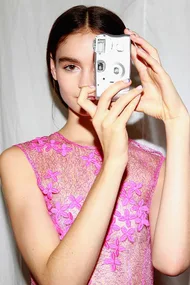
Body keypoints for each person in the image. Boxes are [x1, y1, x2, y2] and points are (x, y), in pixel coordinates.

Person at [0, 5, 189, 285]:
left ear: (123, 67)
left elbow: (172, 262)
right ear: (53, 67)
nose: (87, 83)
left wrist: (178, 123)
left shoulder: (153, 165)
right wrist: (114, 161)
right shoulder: (21, 162)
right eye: (71, 66)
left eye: (99, 66)